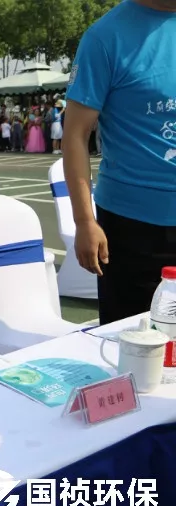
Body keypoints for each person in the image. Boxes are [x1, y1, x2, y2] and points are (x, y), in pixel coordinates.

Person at [63, 0, 176, 325]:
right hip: (133, 228)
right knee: (133, 337)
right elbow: (75, 134)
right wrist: (84, 221)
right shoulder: (105, 37)